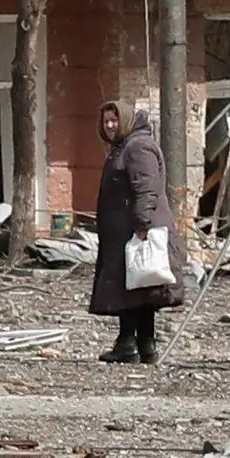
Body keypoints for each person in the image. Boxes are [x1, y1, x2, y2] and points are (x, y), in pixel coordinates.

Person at [86, 99, 179, 364]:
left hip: (137, 229)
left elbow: (146, 187)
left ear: (125, 119)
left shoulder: (137, 147)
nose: (110, 125)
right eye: (106, 121)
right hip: (126, 230)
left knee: (139, 285)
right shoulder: (125, 146)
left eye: (114, 120)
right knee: (138, 288)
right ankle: (139, 344)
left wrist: (141, 222)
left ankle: (133, 343)